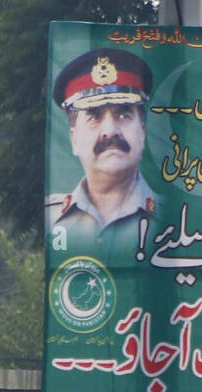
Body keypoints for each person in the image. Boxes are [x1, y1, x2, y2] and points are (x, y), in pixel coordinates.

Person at [46, 48, 159, 261]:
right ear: (74, 140)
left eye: (124, 114)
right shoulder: (49, 220)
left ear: (142, 132)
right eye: (94, 117)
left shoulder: (173, 219)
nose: (110, 130)